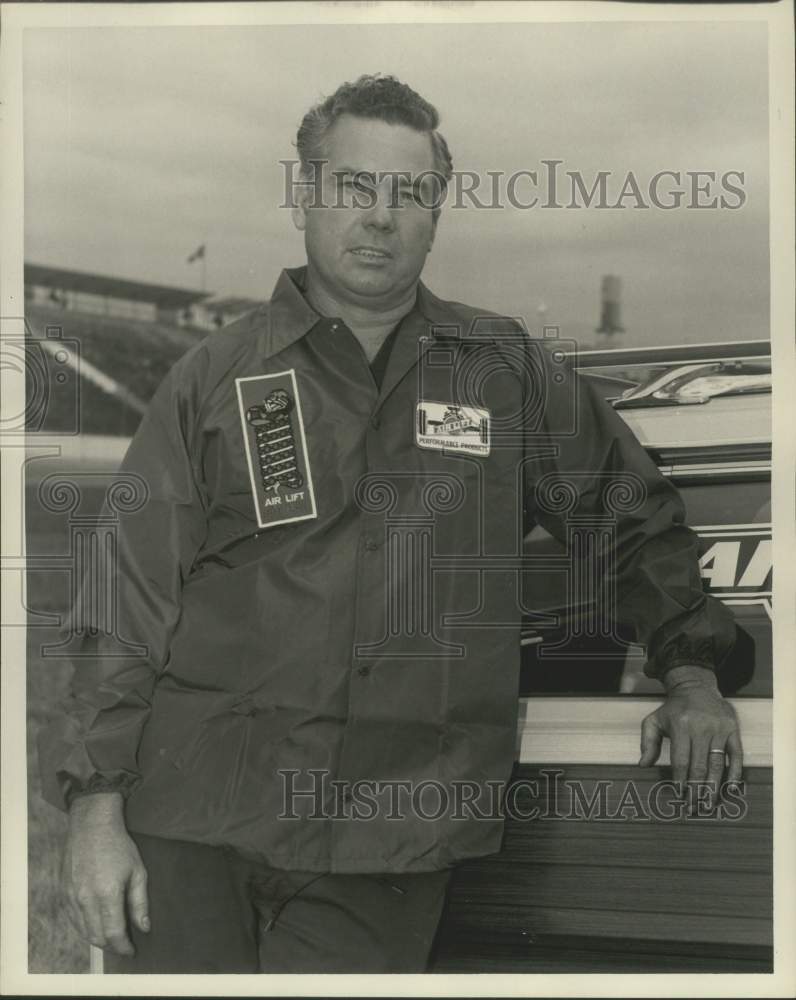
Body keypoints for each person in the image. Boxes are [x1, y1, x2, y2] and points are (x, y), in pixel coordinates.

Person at [41, 74, 743, 974]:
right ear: (306, 195)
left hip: (390, 842)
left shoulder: (502, 373)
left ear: (438, 213)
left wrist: (690, 671)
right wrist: (96, 806)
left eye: (410, 194)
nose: (381, 216)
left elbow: (627, 514)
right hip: (193, 824)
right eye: (355, 187)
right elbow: (124, 596)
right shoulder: (213, 378)